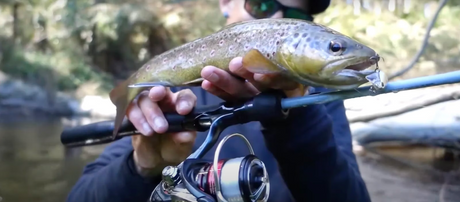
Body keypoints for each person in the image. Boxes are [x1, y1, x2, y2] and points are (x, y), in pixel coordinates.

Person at [66, 0, 372, 201]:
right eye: (262, 5)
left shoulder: (319, 102)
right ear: (227, 3)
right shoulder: (170, 101)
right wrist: (142, 166)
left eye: (295, 16)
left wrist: (298, 122)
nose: (277, 18)